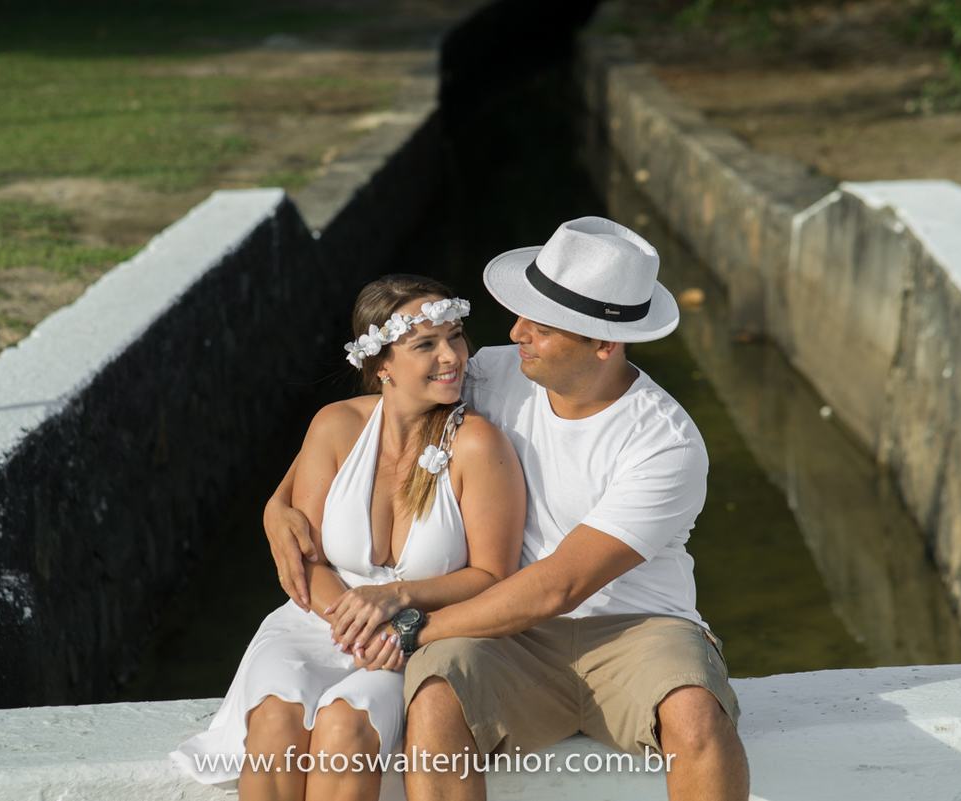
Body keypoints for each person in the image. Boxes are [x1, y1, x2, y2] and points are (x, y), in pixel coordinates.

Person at [266, 217, 751, 800]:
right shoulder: (498, 374)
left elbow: (560, 585)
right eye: (521, 315)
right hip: (504, 637)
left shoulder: (664, 443)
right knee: (436, 701)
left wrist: (414, 629)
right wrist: (278, 503)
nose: (516, 332)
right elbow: (377, 411)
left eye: (540, 327)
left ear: (603, 343)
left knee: (698, 719)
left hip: (638, 628)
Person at [171, 275, 526, 801]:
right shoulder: (335, 426)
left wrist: (393, 616)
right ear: (381, 364)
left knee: (345, 728)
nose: (452, 356)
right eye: (426, 344)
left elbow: (496, 576)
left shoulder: (479, 446)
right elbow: (306, 563)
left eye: (455, 336)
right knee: (274, 718)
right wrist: (356, 621)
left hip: (414, 634)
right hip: (320, 617)